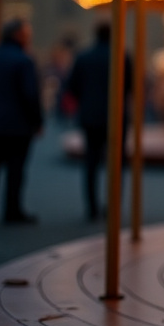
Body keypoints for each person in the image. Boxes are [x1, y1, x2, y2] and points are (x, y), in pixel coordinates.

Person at [64, 22, 130, 222]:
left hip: (90, 115)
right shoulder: (122, 56)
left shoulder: (83, 57)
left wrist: (86, 100)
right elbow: (131, 85)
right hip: (116, 115)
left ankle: (91, 207)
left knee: (91, 163)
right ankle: (113, 207)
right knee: (116, 163)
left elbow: (72, 86)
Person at [0, 19, 43, 224]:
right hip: (18, 125)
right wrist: (37, 121)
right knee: (15, 170)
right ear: (18, 35)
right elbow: (30, 95)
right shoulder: (23, 60)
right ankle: (12, 210)